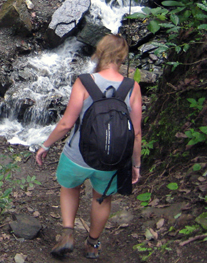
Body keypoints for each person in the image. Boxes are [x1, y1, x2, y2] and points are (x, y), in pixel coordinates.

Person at [35, 34, 142, 259]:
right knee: (101, 198)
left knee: (70, 187)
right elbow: (136, 132)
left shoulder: (84, 82)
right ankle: (93, 245)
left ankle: (67, 233)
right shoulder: (132, 87)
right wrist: (136, 164)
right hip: (112, 159)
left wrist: (46, 145)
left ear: (100, 53)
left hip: (78, 154)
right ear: (122, 57)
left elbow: (66, 123)